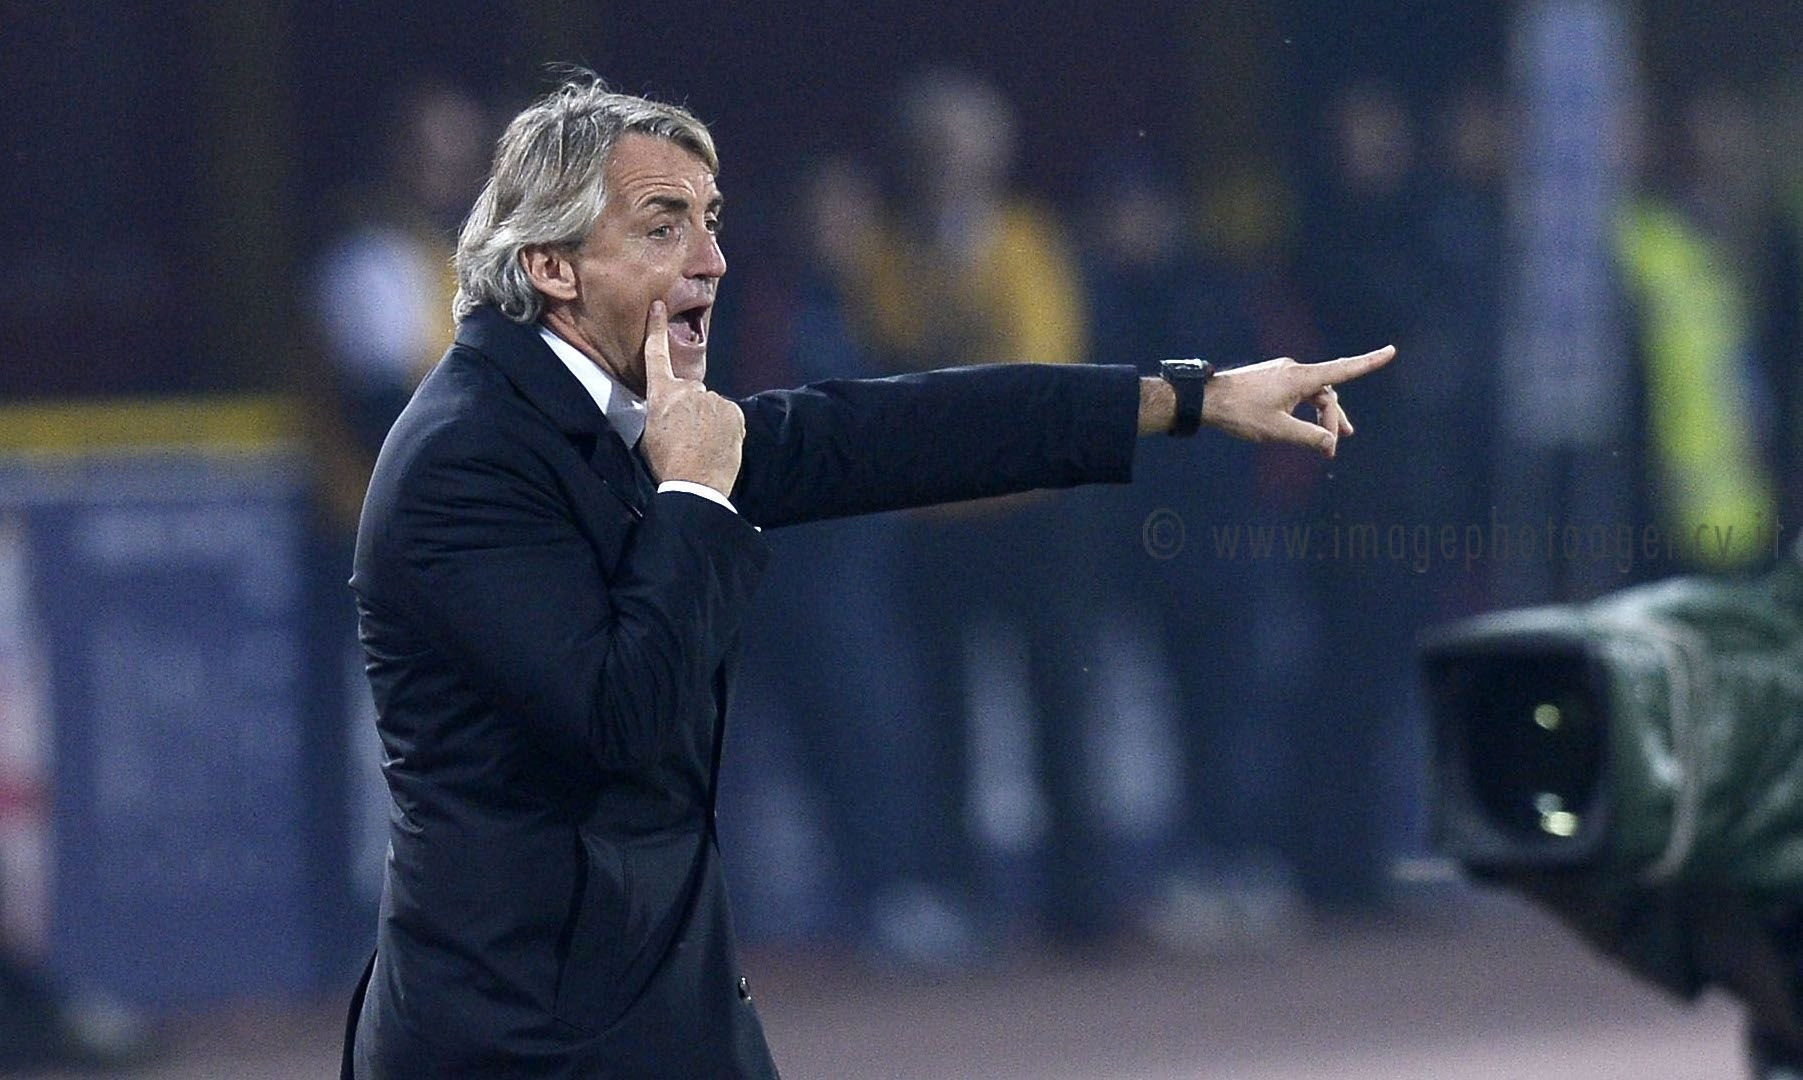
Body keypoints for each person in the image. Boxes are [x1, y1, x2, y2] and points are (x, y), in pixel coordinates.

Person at [342, 73, 1392, 1079]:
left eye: (711, 223)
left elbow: (897, 431)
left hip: (660, 1019)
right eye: (664, 230)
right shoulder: (465, 458)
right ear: (552, 267)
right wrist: (694, 494)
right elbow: (622, 718)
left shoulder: (621, 416)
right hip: (512, 1040)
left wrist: (1188, 399)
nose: (711, 261)